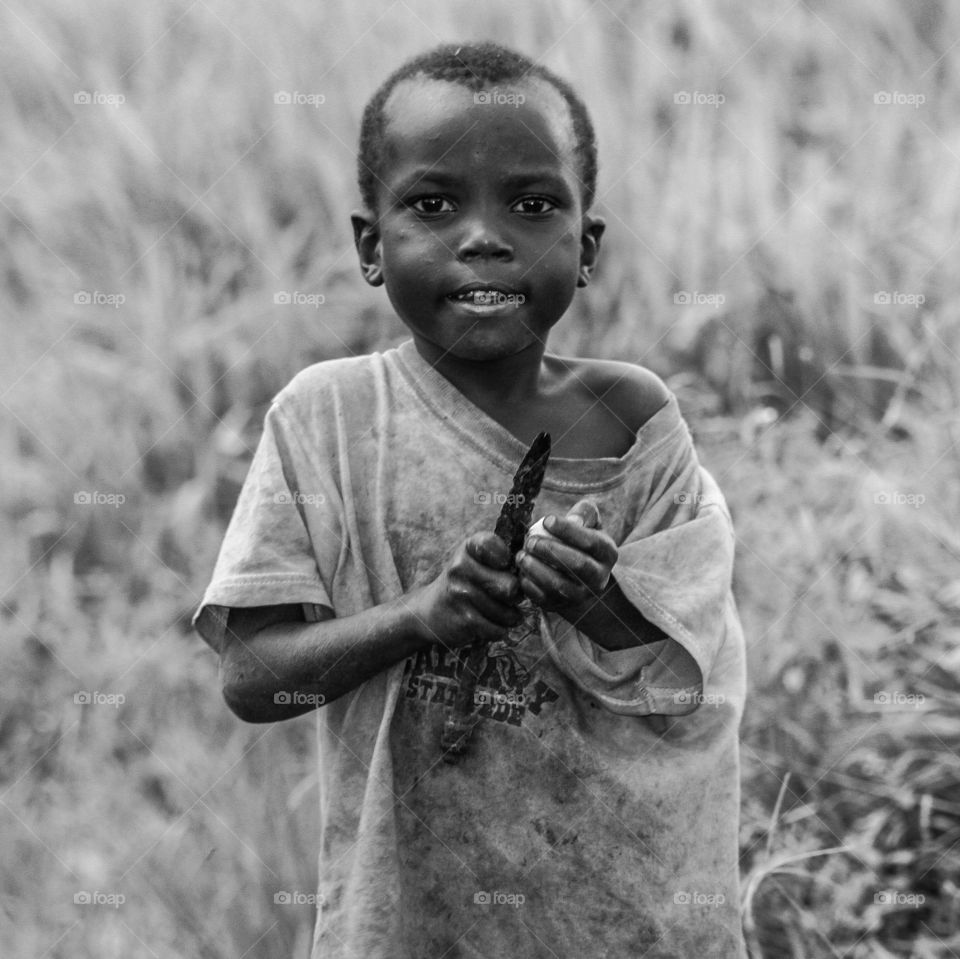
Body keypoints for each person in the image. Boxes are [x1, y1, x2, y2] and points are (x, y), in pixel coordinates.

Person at [194, 41, 747, 959]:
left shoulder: (634, 420)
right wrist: (421, 616)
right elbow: (254, 676)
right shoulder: (328, 421)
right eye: (433, 204)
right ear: (371, 246)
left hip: (622, 915)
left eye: (532, 205)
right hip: (415, 916)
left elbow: (688, 677)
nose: (484, 236)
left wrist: (595, 602)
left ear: (587, 246)